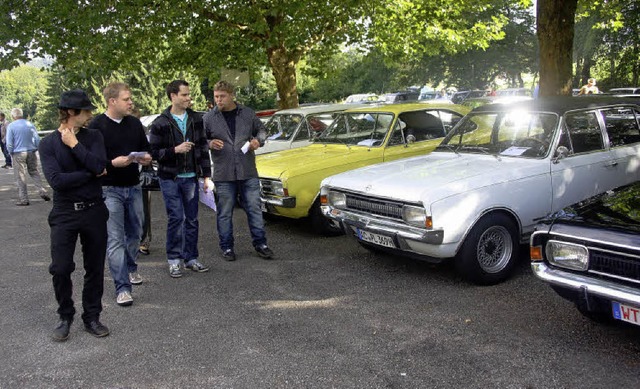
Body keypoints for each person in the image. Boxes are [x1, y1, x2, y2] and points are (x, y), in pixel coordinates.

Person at [39, 89, 110, 341]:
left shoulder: (94, 136)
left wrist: (76, 145)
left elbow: (101, 166)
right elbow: (57, 181)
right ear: (70, 112)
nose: (90, 114)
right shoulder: (47, 143)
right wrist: (91, 173)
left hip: (93, 210)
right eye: (86, 110)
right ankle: (65, 315)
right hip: (64, 212)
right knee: (60, 267)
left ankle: (92, 316)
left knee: (94, 267)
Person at [89, 82, 151, 307]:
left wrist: (146, 158)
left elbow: (147, 148)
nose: (131, 102)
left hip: (134, 186)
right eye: (126, 99)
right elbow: (92, 162)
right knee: (115, 239)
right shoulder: (96, 126)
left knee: (135, 233)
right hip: (109, 189)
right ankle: (122, 288)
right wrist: (112, 163)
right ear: (112, 101)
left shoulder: (134, 123)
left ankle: (131, 267)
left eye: (130, 98)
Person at [204, 80, 273, 261]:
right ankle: (226, 247)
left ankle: (261, 244)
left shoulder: (247, 113)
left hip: (247, 170)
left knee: (254, 209)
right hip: (223, 173)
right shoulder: (209, 118)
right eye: (216, 96)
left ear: (232, 95)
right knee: (225, 212)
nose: (218, 100)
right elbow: (198, 141)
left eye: (222, 96)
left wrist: (259, 140)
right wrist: (209, 143)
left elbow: (262, 130)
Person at [149, 80, 212, 278]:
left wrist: (207, 176)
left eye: (188, 94)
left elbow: (202, 147)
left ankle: (191, 258)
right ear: (173, 96)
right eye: (184, 95)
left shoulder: (196, 118)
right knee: (176, 218)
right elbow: (153, 153)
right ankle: (174, 260)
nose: (188, 98)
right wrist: (174, 150)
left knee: (192, 219)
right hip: (169, 178)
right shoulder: (160, 122)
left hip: (191, 177)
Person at [6, 108, 50, 205]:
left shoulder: (11, 126)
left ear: (13, 116)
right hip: (31, 151)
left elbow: (9, 142)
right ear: (22, 114)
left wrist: (10, 152)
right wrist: (37, 149)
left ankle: (24, 199)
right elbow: (37, 139)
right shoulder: (29, 124)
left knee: (20, 176)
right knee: (34, 172)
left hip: (18, 153)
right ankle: (42, 191)